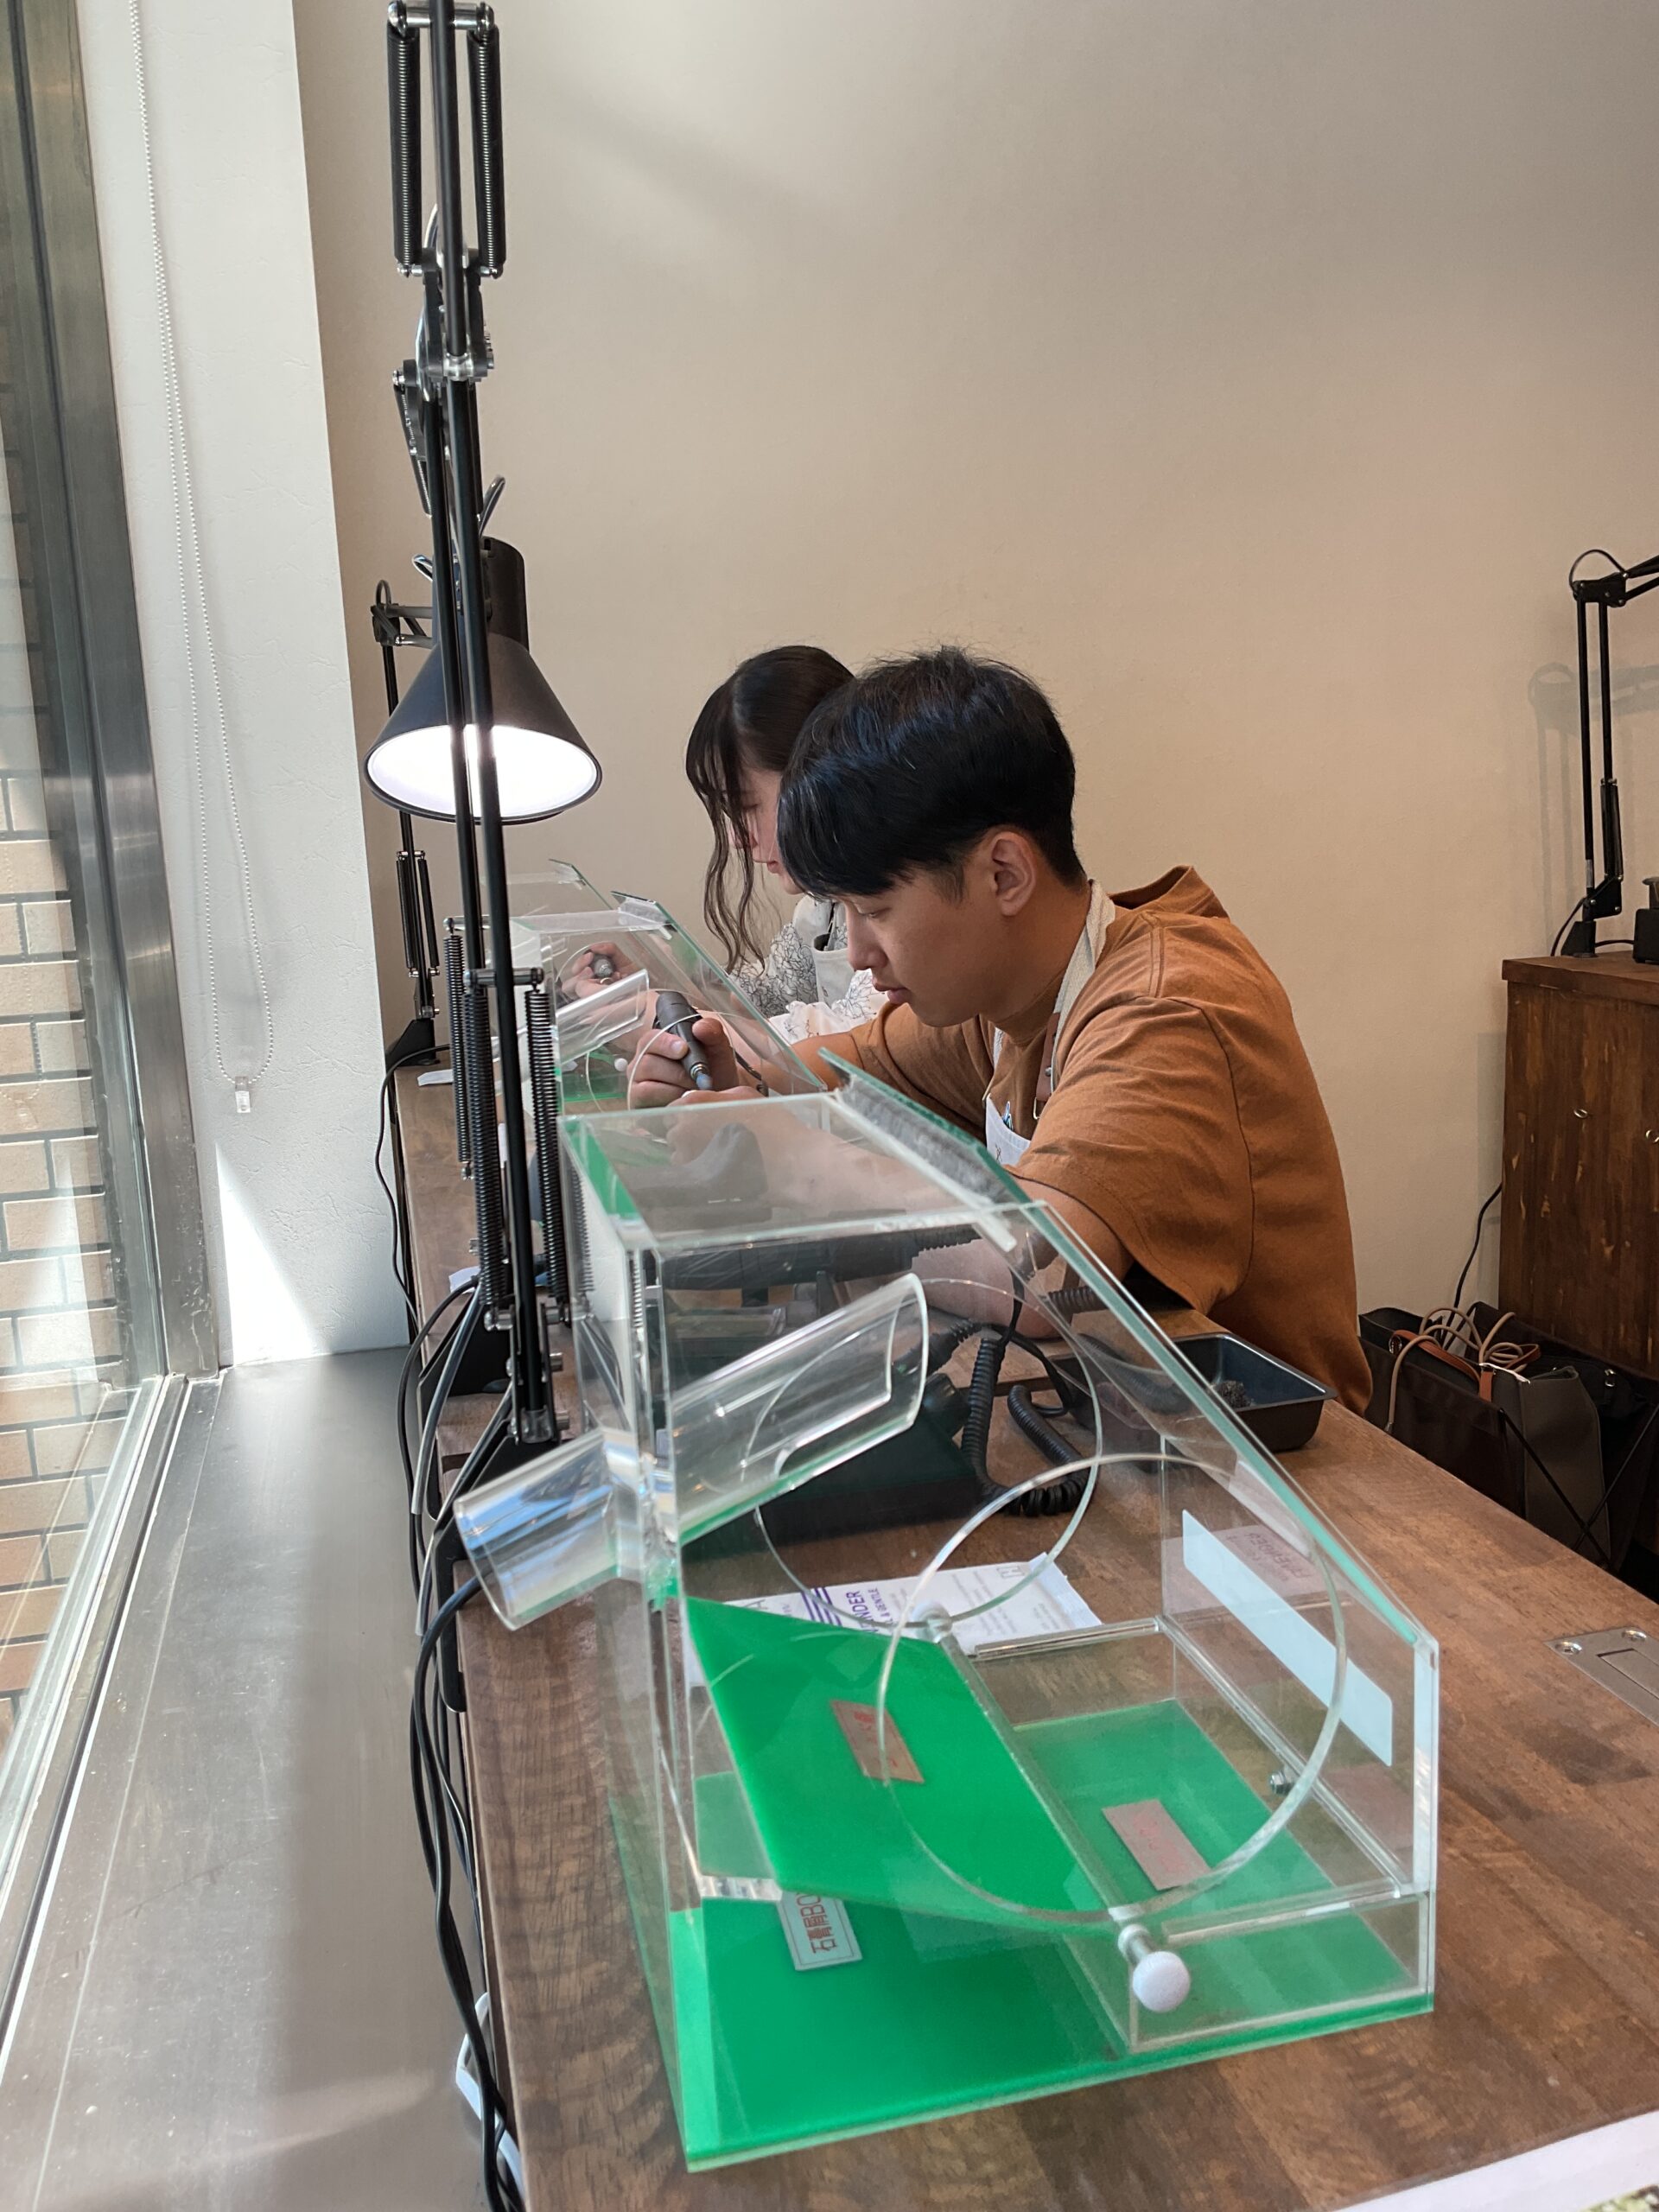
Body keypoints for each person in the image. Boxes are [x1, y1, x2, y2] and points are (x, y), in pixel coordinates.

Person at [629, 646, 1371, 1412]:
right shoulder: (1004, 1005)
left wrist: (796, 1167)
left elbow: (1041, 1276)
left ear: (1004, 875)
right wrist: (730, 1081)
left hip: (1286, 1467)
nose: (856, 952)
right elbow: (828, 1069)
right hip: (1122, 1417)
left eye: (875, 910)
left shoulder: (1169, 1009)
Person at [683, 645, 884, 1044]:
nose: (739, 840)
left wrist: (669, 1022)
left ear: (818, 779)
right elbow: (772, 993)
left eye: (746, 806)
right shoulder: (820, 906)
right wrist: (654, 982)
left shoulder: (901, 891)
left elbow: (863, 1039)